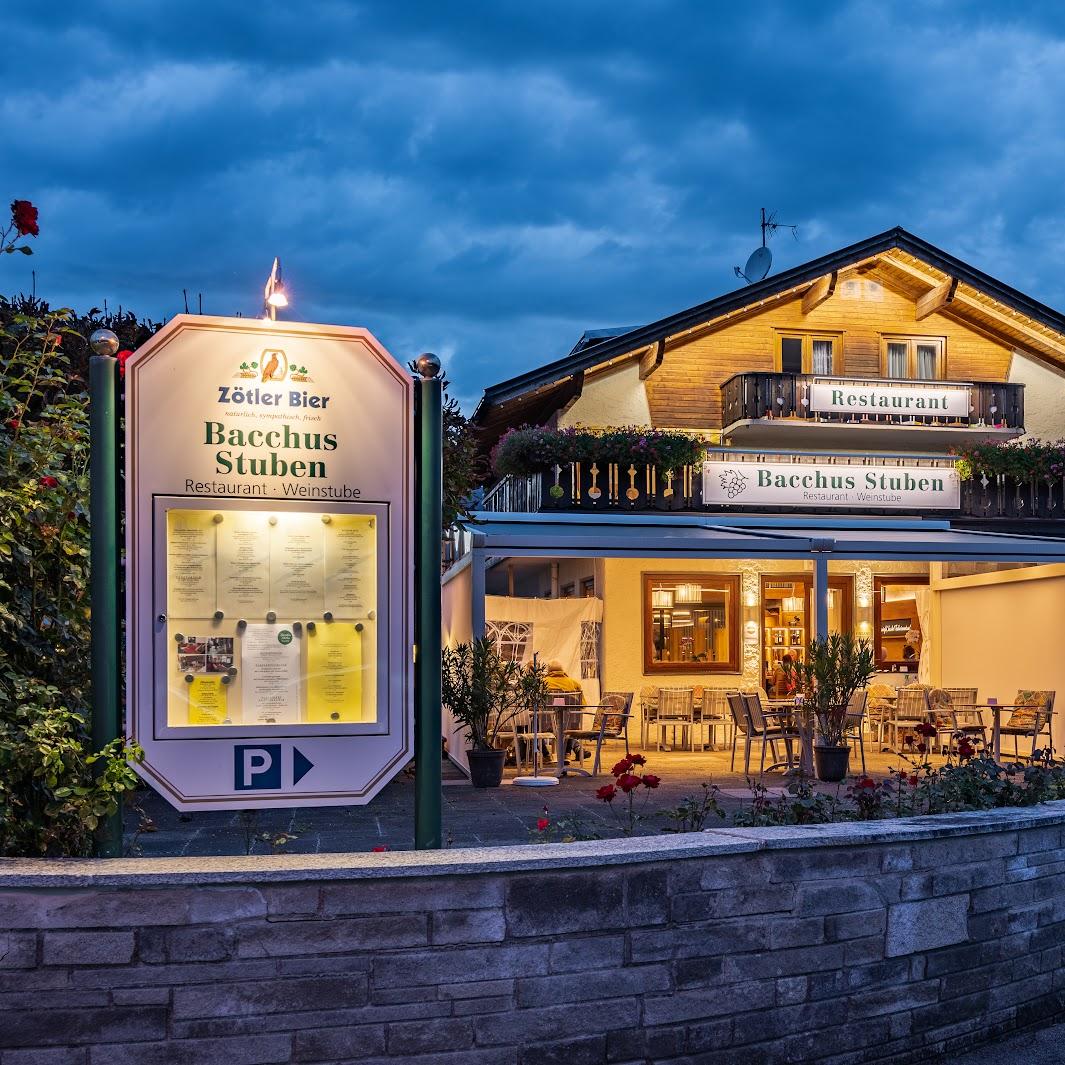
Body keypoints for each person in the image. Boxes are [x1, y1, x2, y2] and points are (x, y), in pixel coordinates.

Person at [543, 660, 586, 762]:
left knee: (533, 725)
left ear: (548, 671)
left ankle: (546, 754)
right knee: (570, 723)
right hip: (569, 724)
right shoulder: (573, 683)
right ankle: (567, 753)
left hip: (546, 724)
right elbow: (583, 705)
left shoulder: (543, 682)